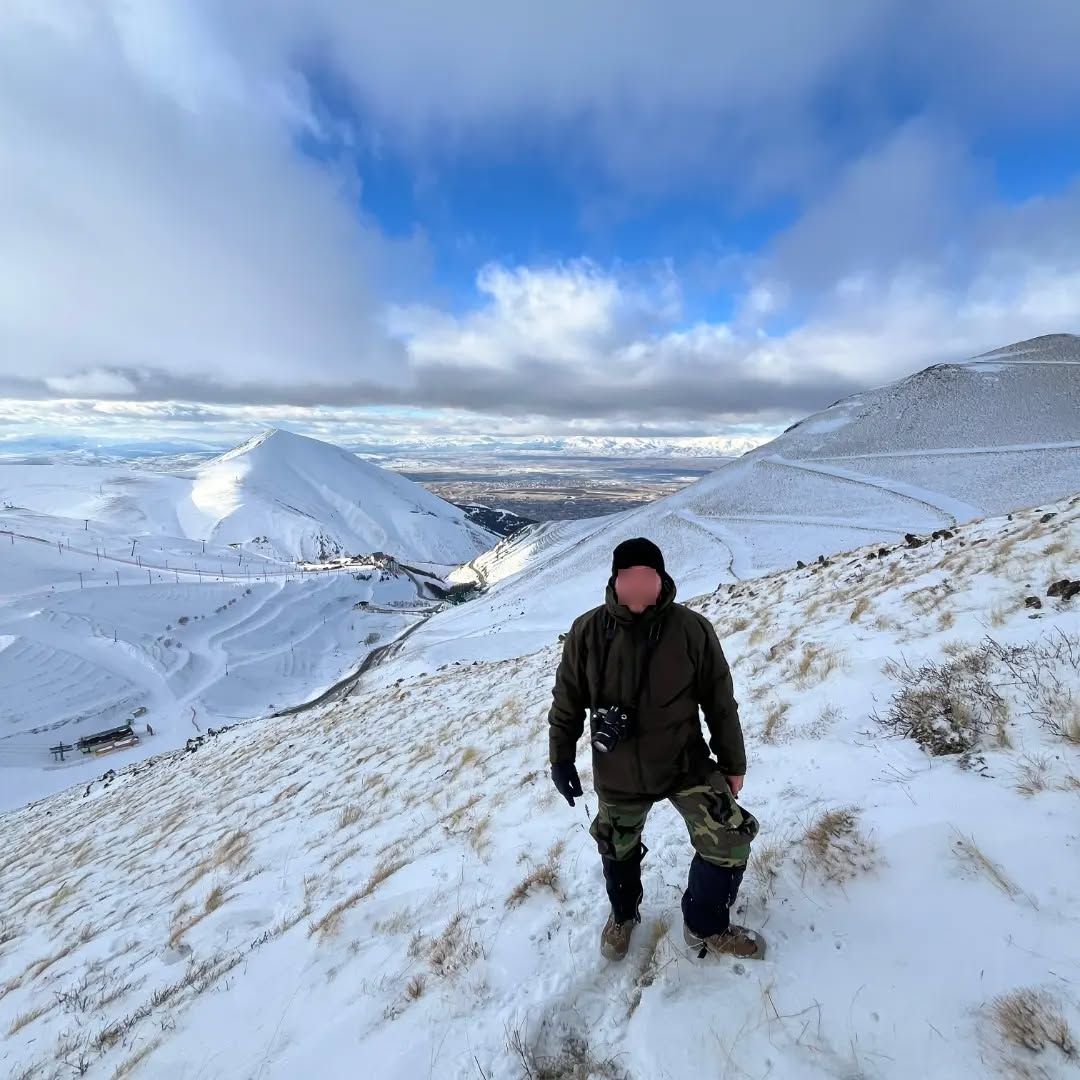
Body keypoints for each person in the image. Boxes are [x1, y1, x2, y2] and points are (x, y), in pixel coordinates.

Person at [547, 537, 765, 962]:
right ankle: (624, 915)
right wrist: (561, 757)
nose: (639, 587)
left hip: (686, 764)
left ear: (662, 579)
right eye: (630, 578)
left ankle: (705, 924)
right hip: (617, 770)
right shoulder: (587, 632)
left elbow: (720, 702)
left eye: (648, 577)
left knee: (730, 839)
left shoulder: (692, 629)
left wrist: (733, 763)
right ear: (615, 580)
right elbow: (567, 700)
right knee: (616, 847)